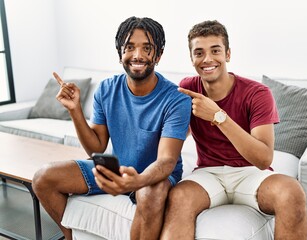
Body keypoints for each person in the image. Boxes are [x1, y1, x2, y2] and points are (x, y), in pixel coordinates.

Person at [32, 16, 191, 240]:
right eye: (130, 47)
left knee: (150, 194)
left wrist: (137, 181)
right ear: (120, 53)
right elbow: (95, 147)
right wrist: (75, 110)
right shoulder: (106, 89)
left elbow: (167, 161)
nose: (137, 55)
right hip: (118, 169)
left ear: (159, 54)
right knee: (43, 178)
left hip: (156, 176)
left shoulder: (176, 99)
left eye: (147, 48)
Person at [160, 20, 307, 240]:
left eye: (215, 50)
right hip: (208, 173)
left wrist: (219, 117)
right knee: (179, 197)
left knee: (291, 192)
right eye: (199, 52)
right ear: (192, 59)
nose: (207, 59)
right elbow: (177, 134)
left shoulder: (257, 93)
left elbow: (263, 158)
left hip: (251, 173)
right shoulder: (189, 87)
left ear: (227, 54)